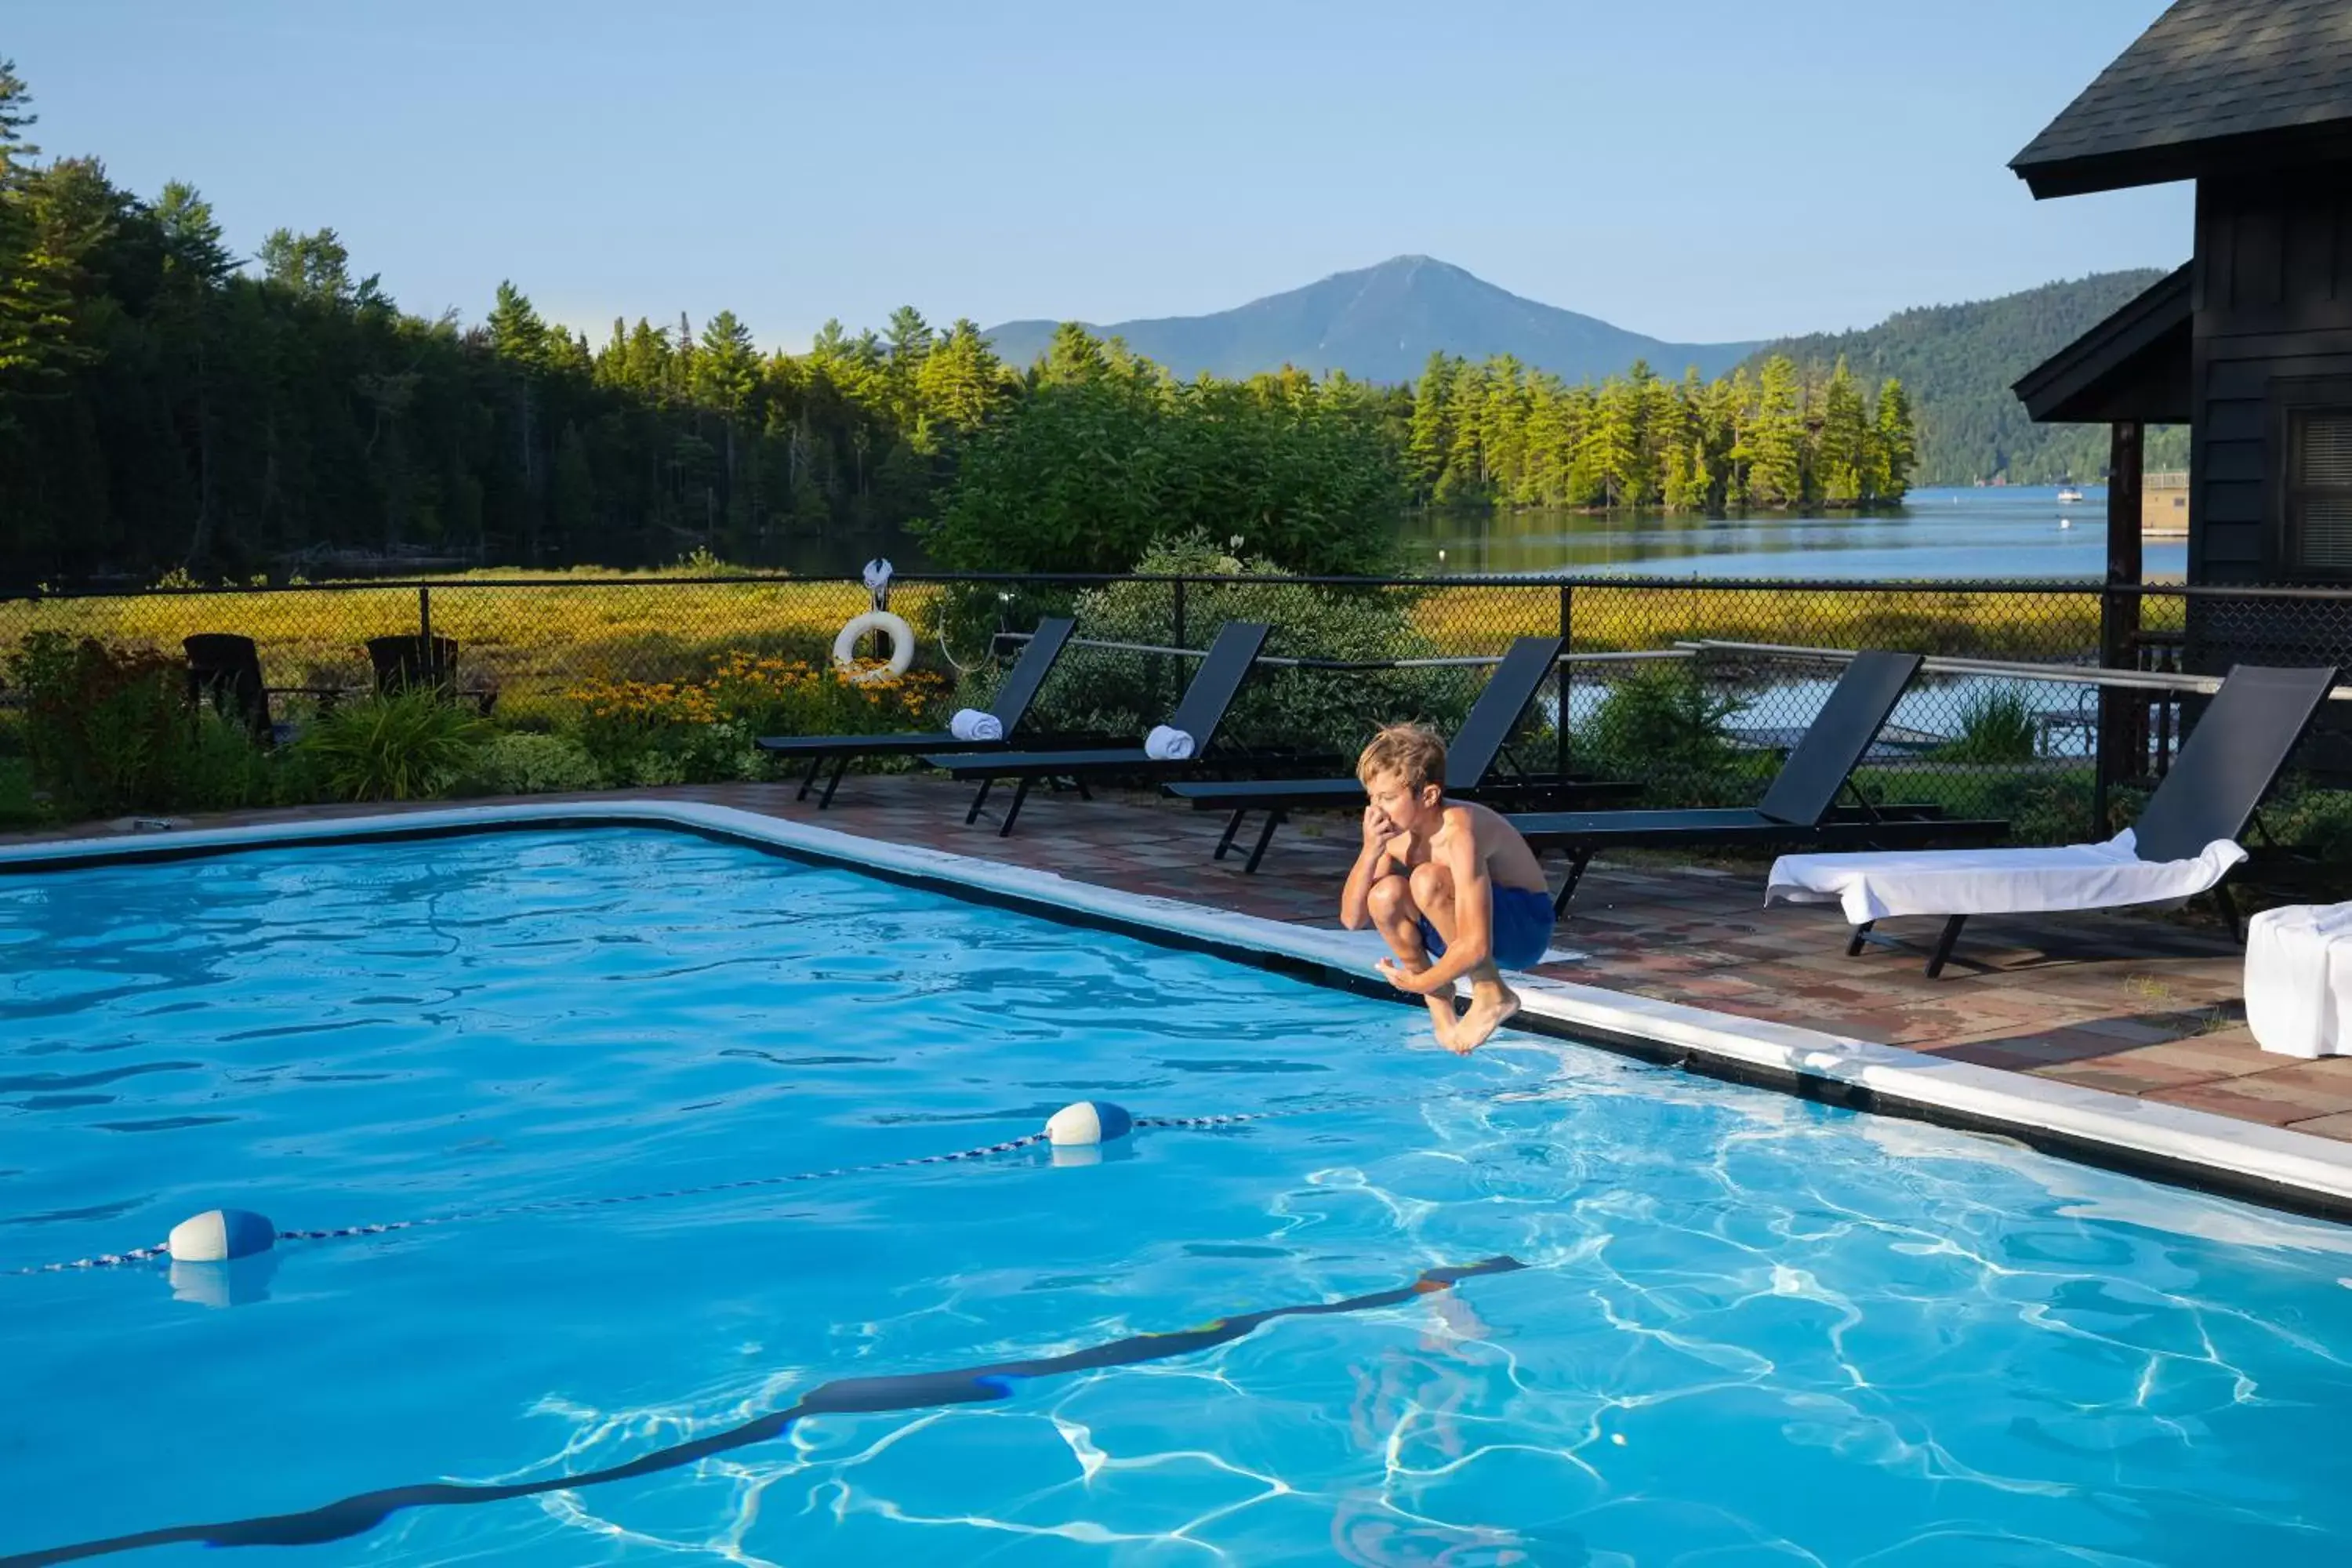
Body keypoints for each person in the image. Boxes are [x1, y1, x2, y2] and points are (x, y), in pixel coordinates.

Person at [1338, 723, 1555, 1054]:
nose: (1376, 809)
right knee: (1384, 896)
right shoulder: (1394, 835)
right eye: (1372, 798)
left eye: (1388, 798)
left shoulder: (1459, 832)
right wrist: (1371, 851)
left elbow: (1477, 945)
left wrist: (1418, 982)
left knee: (1426, 879)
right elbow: (1353, 920)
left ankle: (1491, 992)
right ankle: (1440, 1006)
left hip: (1522, 930)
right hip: (1465, 932)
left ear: (1429, 795)